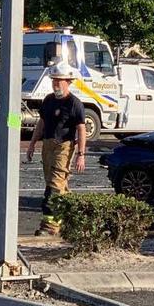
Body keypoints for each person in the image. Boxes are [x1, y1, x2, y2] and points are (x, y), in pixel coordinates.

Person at [27, 61, 87, 236]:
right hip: (48, 145)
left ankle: (50, 225)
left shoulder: (74, 104)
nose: (55, 84)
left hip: (64, 146)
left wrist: (81, 154)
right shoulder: (48, 100)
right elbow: (42, 123)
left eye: (59, 81)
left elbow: (81, 129)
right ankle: (72, 217)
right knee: (56, 183)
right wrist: (32, 144)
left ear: (68, 82)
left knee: (54, 184)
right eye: (53, 80)